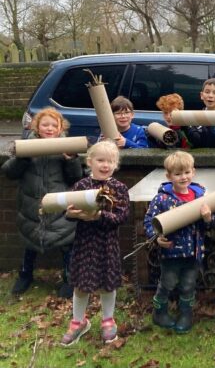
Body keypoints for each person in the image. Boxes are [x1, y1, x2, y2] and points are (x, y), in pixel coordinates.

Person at [2, 107, 83, 297]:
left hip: (58, 206)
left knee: (66, 243)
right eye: (45, 124)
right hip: (32, 205)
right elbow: (9, 172)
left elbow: (76, 178)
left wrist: (71, 160)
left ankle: (69, 278)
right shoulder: (26, 146)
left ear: (60, 127)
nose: (49, 128)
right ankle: (25, 274)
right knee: (30, 242)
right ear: (37, 127)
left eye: (54, 125)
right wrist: (23, 157)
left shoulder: (66, 147)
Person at [60, 140, 130, 346]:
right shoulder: (81, 186)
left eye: (110, 161)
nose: (105, 165)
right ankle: (78, 321)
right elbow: (69, 212)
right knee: (81, 285)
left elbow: (122, 217)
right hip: (84, 243)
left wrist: (99, 216)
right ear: (90, 161)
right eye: (100, 160)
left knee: (107, 285)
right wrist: (72, 214)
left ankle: (108, 320)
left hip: (107, 244)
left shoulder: (119, 188)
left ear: (116, 164)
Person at [144, 151, 212, 333]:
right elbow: (150, 220)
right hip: (171, 253)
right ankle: (159, 313)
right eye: (178, 174)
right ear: (169, 176)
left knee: (188, 285)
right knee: (167, 283)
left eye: (187, 172)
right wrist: (156, 238)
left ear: (193, 172)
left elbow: (210, 224)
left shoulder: (201, 197)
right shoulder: (162, 199)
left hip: (193, 252)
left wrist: (207, 218)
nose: (183, 177)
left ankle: (185, 314)